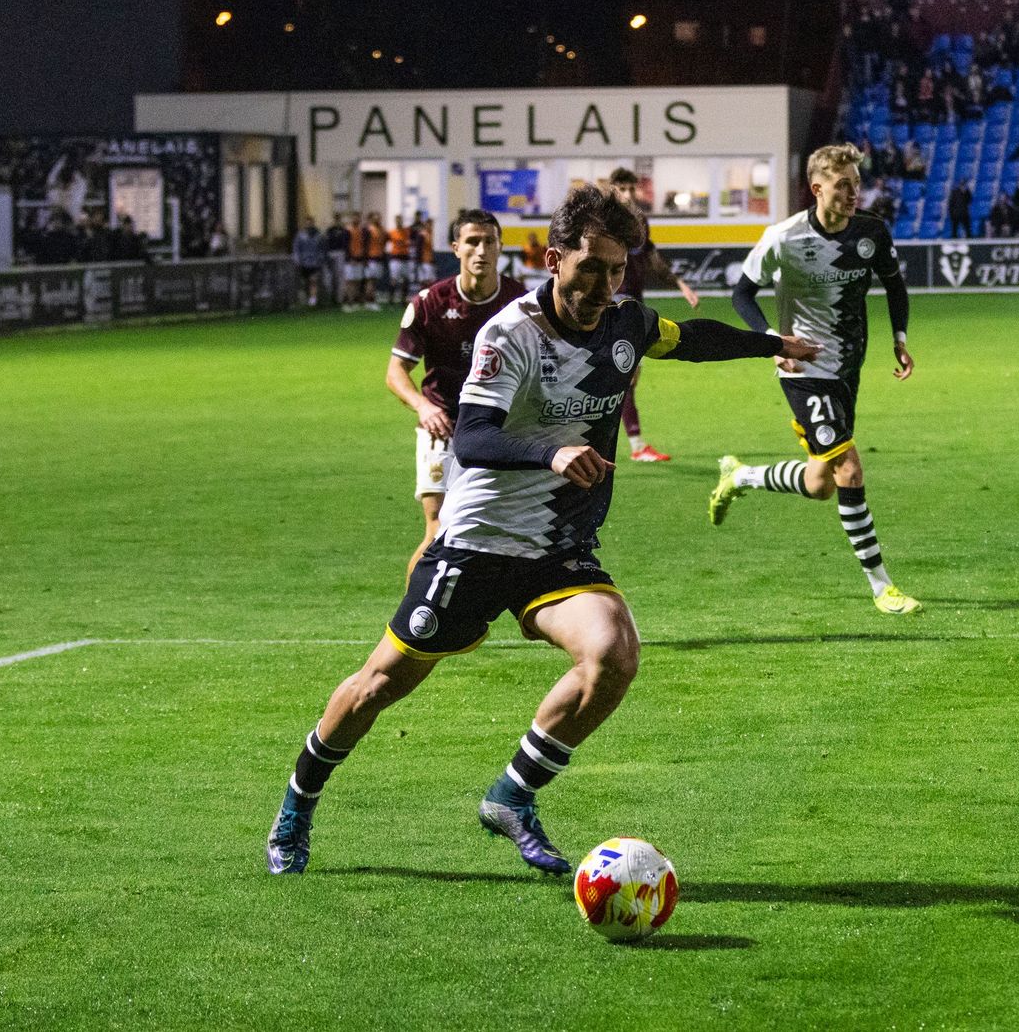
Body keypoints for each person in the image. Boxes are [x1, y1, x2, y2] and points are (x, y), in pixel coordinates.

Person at [266, 185, 821, 875]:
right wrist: (551, 452)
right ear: (555, 258)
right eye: (591, 267)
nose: (604, 285)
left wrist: (770, 342)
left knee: (614, 653)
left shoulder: (625, 323)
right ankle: (298, 801)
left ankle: (512, 795)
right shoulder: (512, 334)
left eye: (617, 270)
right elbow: (472, 437)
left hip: (556, 550)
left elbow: (690, 337)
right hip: (476, 543)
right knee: (380, 686)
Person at [711, 143, 922, 615]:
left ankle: (741, 476)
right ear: (817, 188)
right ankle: (881, 587)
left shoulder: (871, 232)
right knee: (849, 469)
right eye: (843, 185)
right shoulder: (783, 237)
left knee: (821, 482)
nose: (854, 193)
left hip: (848, 368)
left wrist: (900, 339)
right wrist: (773, 341)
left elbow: (895, 284)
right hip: (803, 371)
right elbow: (742, 294)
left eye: (857, 184)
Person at [387, 209, 527, 580]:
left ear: (500, 248)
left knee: (505, 531)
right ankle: (413, 626)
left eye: (489, 242)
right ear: (456, 248)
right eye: (472, 242)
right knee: (437, 529)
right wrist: (422, 405)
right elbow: (396, 371)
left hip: (501, 431)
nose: (481, 250)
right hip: (444, 429)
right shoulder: (429, 303)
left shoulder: (522, 304)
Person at [606, 167, 701, 463]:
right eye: (622, 187)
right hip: (613, 305)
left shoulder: (638, 223)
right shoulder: (605, 222)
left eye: (632, 188)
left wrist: (680, 284)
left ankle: (631, 445)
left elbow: (652, 259)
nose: (629, 193)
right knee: (625, 374)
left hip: (633, 306)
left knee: (624, 377)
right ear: (612, 189)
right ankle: (634, 446)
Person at [292, 216, 324, 307]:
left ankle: (313, 299)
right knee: (304, 282)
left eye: (311, 223)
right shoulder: (300, 236)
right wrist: (297, 260)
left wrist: (320, 259)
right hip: (304, 263)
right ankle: (305, 299)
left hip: (315, 262)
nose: (309, 224)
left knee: (313, 280)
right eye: (307, 223)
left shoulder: (319, 235)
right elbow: (296, 249)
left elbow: (322, 249)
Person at [386, 215, 413, 303]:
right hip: (395, 258)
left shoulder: (406, 231)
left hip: (405, 258)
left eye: (400, 220)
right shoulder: (392, 232)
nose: (399, 222)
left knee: (405, 279)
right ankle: (391, 299)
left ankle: (403, 299)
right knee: (394, 279)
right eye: (397, 220)